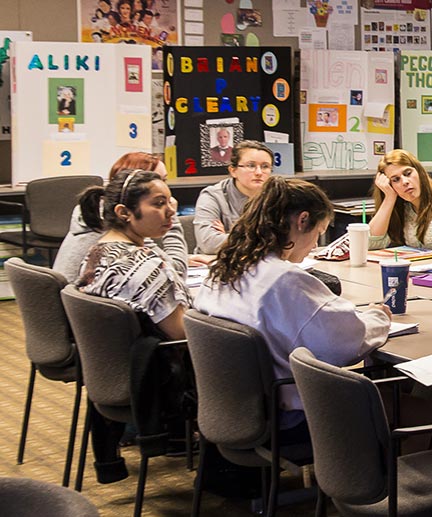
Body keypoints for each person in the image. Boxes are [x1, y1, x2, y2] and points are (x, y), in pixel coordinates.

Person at [195, 176, 391, 435]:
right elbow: (343, 346)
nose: (315, 245)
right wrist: (378, 317)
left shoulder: (223, 268)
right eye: (318, 233)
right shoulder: (283, 279)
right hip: (292, 415)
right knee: (415, 410)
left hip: (237, 411)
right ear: (302, 220)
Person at [74, 168, 191, 483]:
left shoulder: (96, 252)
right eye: (158, 204)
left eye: (170, 201)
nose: (171, 211)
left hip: (114, 372)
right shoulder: (146, 265)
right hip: (157, 380)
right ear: (124, 213)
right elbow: (182, 335)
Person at [55, 152, 212, 283]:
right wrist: (172, 218)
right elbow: (176, 273)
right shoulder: (116, 232)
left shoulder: (99, 215)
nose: (164, 188)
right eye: (158, 181)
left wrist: (182, 258)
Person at [194, 140, 273, 253]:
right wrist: (264, 238)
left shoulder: (277, 195)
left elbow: (289, 239)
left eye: (265, 166)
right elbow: (209, 243)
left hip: (265, 260)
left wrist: (231, 236)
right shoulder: (212, 196)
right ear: (233, 171)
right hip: (218, 261)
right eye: (251, 165)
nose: (259, 172)